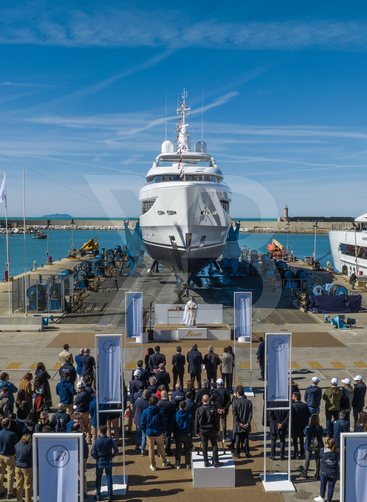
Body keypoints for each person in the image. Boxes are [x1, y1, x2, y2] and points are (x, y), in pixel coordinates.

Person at [140, 395, 171, 471]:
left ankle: (153, 465)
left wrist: (145, 431)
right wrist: (163, 430)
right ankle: (164, 461)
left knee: (151, 449)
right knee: (161, 447)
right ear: (156, 402)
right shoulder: (160, 411)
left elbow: (142, 423)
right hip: (158, 432)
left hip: (150, 433)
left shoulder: (145, 411)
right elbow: (164, 422)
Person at [91, 424, 119, 502]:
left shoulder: (97, 441)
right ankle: (110, 495)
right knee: (109, 477)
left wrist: (97, 458)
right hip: (108, 460)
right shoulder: (110, 440)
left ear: (100, 431)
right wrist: (112, 456)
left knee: (98, 478)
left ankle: (98, 495)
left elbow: (92, 452)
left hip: (100, 460)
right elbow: (116, 450)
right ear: (106, 431)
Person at [195, 394, 221, 468]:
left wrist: (196, 431)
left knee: (204, 446)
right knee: (214, 445)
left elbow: (196, 422)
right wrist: (217, 429)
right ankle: (215, 461)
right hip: (212, 430)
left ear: (202, 400)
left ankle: (206, 461)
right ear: (209, 400)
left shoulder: (199, 409)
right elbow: (217, 421)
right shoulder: (213, 408)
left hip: (203, 431)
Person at [314, 438, 338, 502]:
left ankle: (322, 497)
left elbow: (319, 455)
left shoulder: (322, 452)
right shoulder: (337, 453)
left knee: (323, 485)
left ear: (327, 445)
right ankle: (329, 500)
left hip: (324, 472)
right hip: (333, 473)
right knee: (331, 488)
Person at [232, 385, 253, 458]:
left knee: (237, 438)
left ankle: (237, 453)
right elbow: (250, 414)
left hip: (238, 424)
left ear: (237, 393)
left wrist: (239, 423)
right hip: (246, 423)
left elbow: (234, 415)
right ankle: (247, 453)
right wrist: (247, 423)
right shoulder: (249, 402)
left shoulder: (235, 402)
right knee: (246, 438)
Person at [301, 414, 323, 479]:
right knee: (318, 459)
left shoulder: (308, 427)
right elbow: (321, 434)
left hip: (309, 444)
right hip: (318, 444)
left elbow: (304, 433)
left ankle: (305, 472)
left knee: (307, 459)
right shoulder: (320, 428)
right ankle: (317, 473)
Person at [0, 417, 18, 498]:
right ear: (9, 424)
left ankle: (0, 490)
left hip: (0, 455)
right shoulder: (12, 434)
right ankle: (9, 492)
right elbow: (16, 445)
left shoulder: (0, 433)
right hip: (10, 456)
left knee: (1, 474)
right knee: (10, 475)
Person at [291, 391, 311, 459]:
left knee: (294, 440)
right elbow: (309, 414)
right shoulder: (304, 405)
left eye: (293, 396)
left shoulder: (292, 406)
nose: (292, 397)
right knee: (302, 440)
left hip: (294, 426)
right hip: (302, 425)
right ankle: (302, 453)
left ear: (295, 397)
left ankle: (295, 453)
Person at [174, 400, 193, 469]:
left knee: (178, 449)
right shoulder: (189, 415)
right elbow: (191, 425)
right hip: (187, 434)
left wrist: (175, 433)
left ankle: (177, 464)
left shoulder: (176, 414)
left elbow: (174, 425)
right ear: (185, 407)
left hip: (179, 434)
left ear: (179, 406)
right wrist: (190, 433)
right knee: (187, 450)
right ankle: (187, 464)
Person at [157, 389, 176, 455]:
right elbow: (174, 413)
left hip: (159, 423)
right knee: (168, 437)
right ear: (167, 395)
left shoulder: (158, 404)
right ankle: (167, 450)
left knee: (159, 437)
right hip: (169, 423)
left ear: (161, 396)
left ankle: (159, 451)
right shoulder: (171, 404)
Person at [15, 433, 32, 502]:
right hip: (27, 467)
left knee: (19, 484)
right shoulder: (30, 447)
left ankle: (19, 499)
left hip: (18, 466)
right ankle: (28, 500)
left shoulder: (17, 445)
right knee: (27, 485)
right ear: (29, 439)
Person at [133, 390, 149, 455]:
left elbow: (134, 409)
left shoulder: (137, 401)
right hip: (144, 421)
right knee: (143, 436)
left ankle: (137, 446)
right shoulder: (147, 403)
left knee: (137, 434)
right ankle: (142, 450)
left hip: (137, 420)